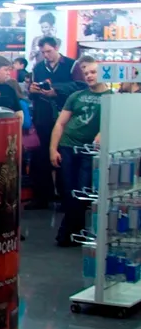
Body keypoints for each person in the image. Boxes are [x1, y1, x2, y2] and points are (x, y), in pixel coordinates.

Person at [51, 56, 110, 247]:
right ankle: (71, 234)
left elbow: (115, 122)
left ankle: (67, 233)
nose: (89, 76)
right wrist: (52, 149)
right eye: (86, 73)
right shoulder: (76, 96)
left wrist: (102, 132)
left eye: (93, 72)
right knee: (69, 192)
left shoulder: (112, 98)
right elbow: (60, 123)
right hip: (68, 146)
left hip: (90, 151)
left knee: (83, 192)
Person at [29, 36, 78, 209]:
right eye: (43, 52)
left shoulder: (72, 65)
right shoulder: (38, 67)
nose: (46, 55)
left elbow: (79, 86)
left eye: (49, 51)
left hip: (65, 116)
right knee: (40, 157)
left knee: (64, 157)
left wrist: (56, 90)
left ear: (56, 47)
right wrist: (33, 90)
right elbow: (32, 93)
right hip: (43, 116)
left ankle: (66, 198)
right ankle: (42, 197)